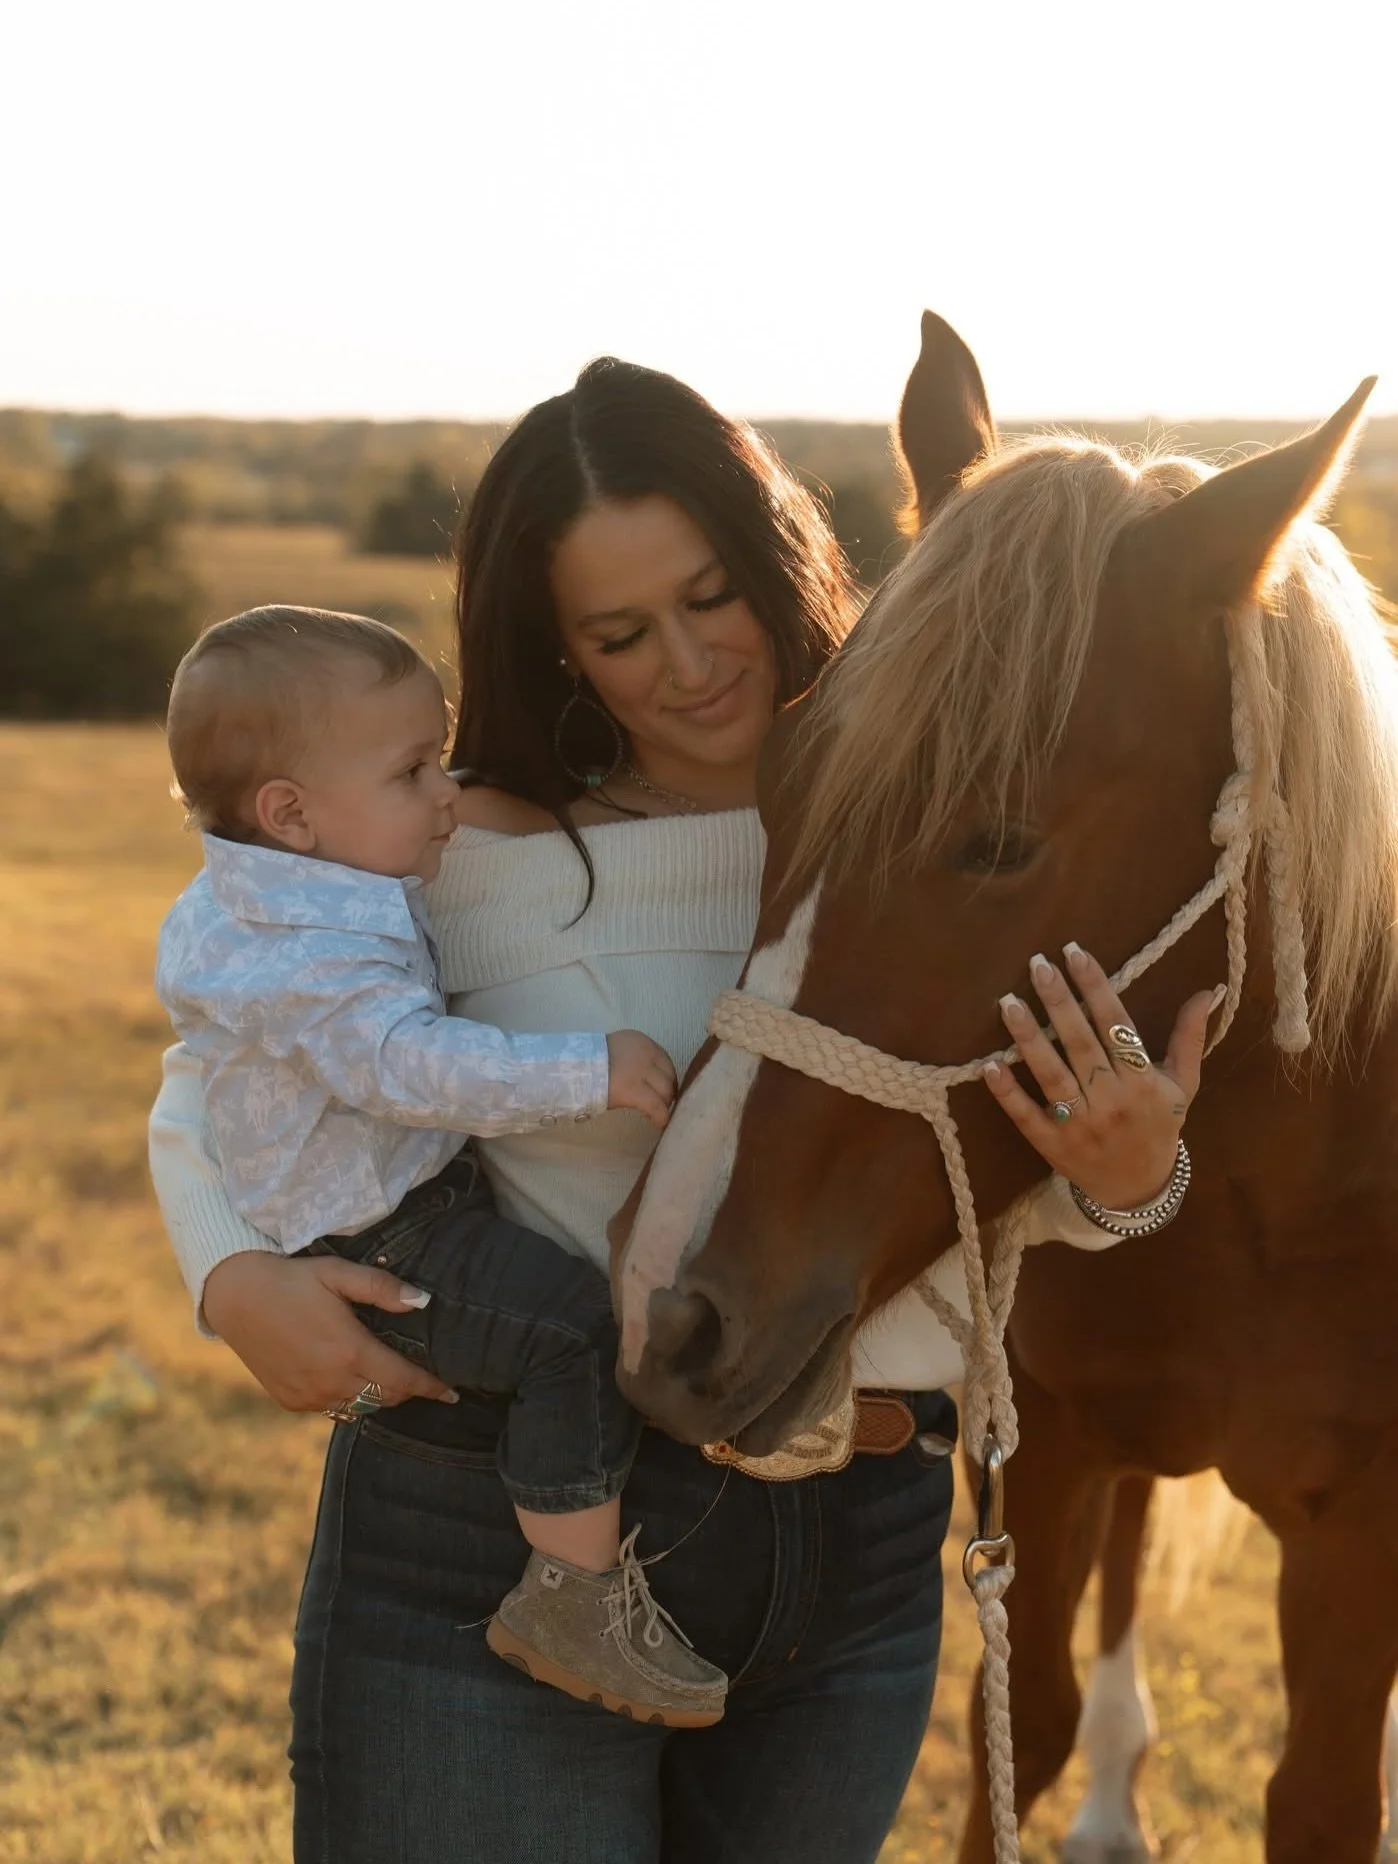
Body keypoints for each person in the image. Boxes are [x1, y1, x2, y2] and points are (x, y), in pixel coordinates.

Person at [148, 357, 1214, 1864]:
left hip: (856, 1541)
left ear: (777, 554)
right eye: (619, 632)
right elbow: (223, 1064)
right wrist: (228, 1272)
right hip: (497, 1524)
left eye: (712, 594)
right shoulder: (454, 846)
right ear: (558, 651)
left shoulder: (938, 827)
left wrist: (1132, 1176)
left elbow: (994, 1160)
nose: (690, 662)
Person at [154, 603, 725, 1727]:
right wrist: (589, 1068)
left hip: (386, 1197)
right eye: (415, 771)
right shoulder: (309, 955)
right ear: (292, 814)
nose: (448, 795)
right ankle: (573, 1595)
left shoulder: (280, 891)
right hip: (378, 1233)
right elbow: (409, 1067)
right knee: (566, 1331)